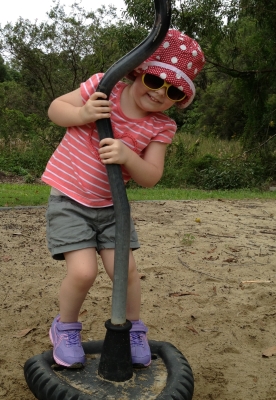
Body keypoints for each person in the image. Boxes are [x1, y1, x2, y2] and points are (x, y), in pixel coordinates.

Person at [42, 29, 205, 369]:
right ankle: (65, 327)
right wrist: (83, 114)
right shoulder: (104, 88)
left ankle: (131, 330)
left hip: (113, 207)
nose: (160, 92)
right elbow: (56, 109)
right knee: (84, 272)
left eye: (173, 89)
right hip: (71, 200)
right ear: (137, 70)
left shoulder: (161, 127)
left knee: (125, 272)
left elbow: (151, 177)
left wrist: (129, 156)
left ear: (179, 98)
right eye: (154, 79)